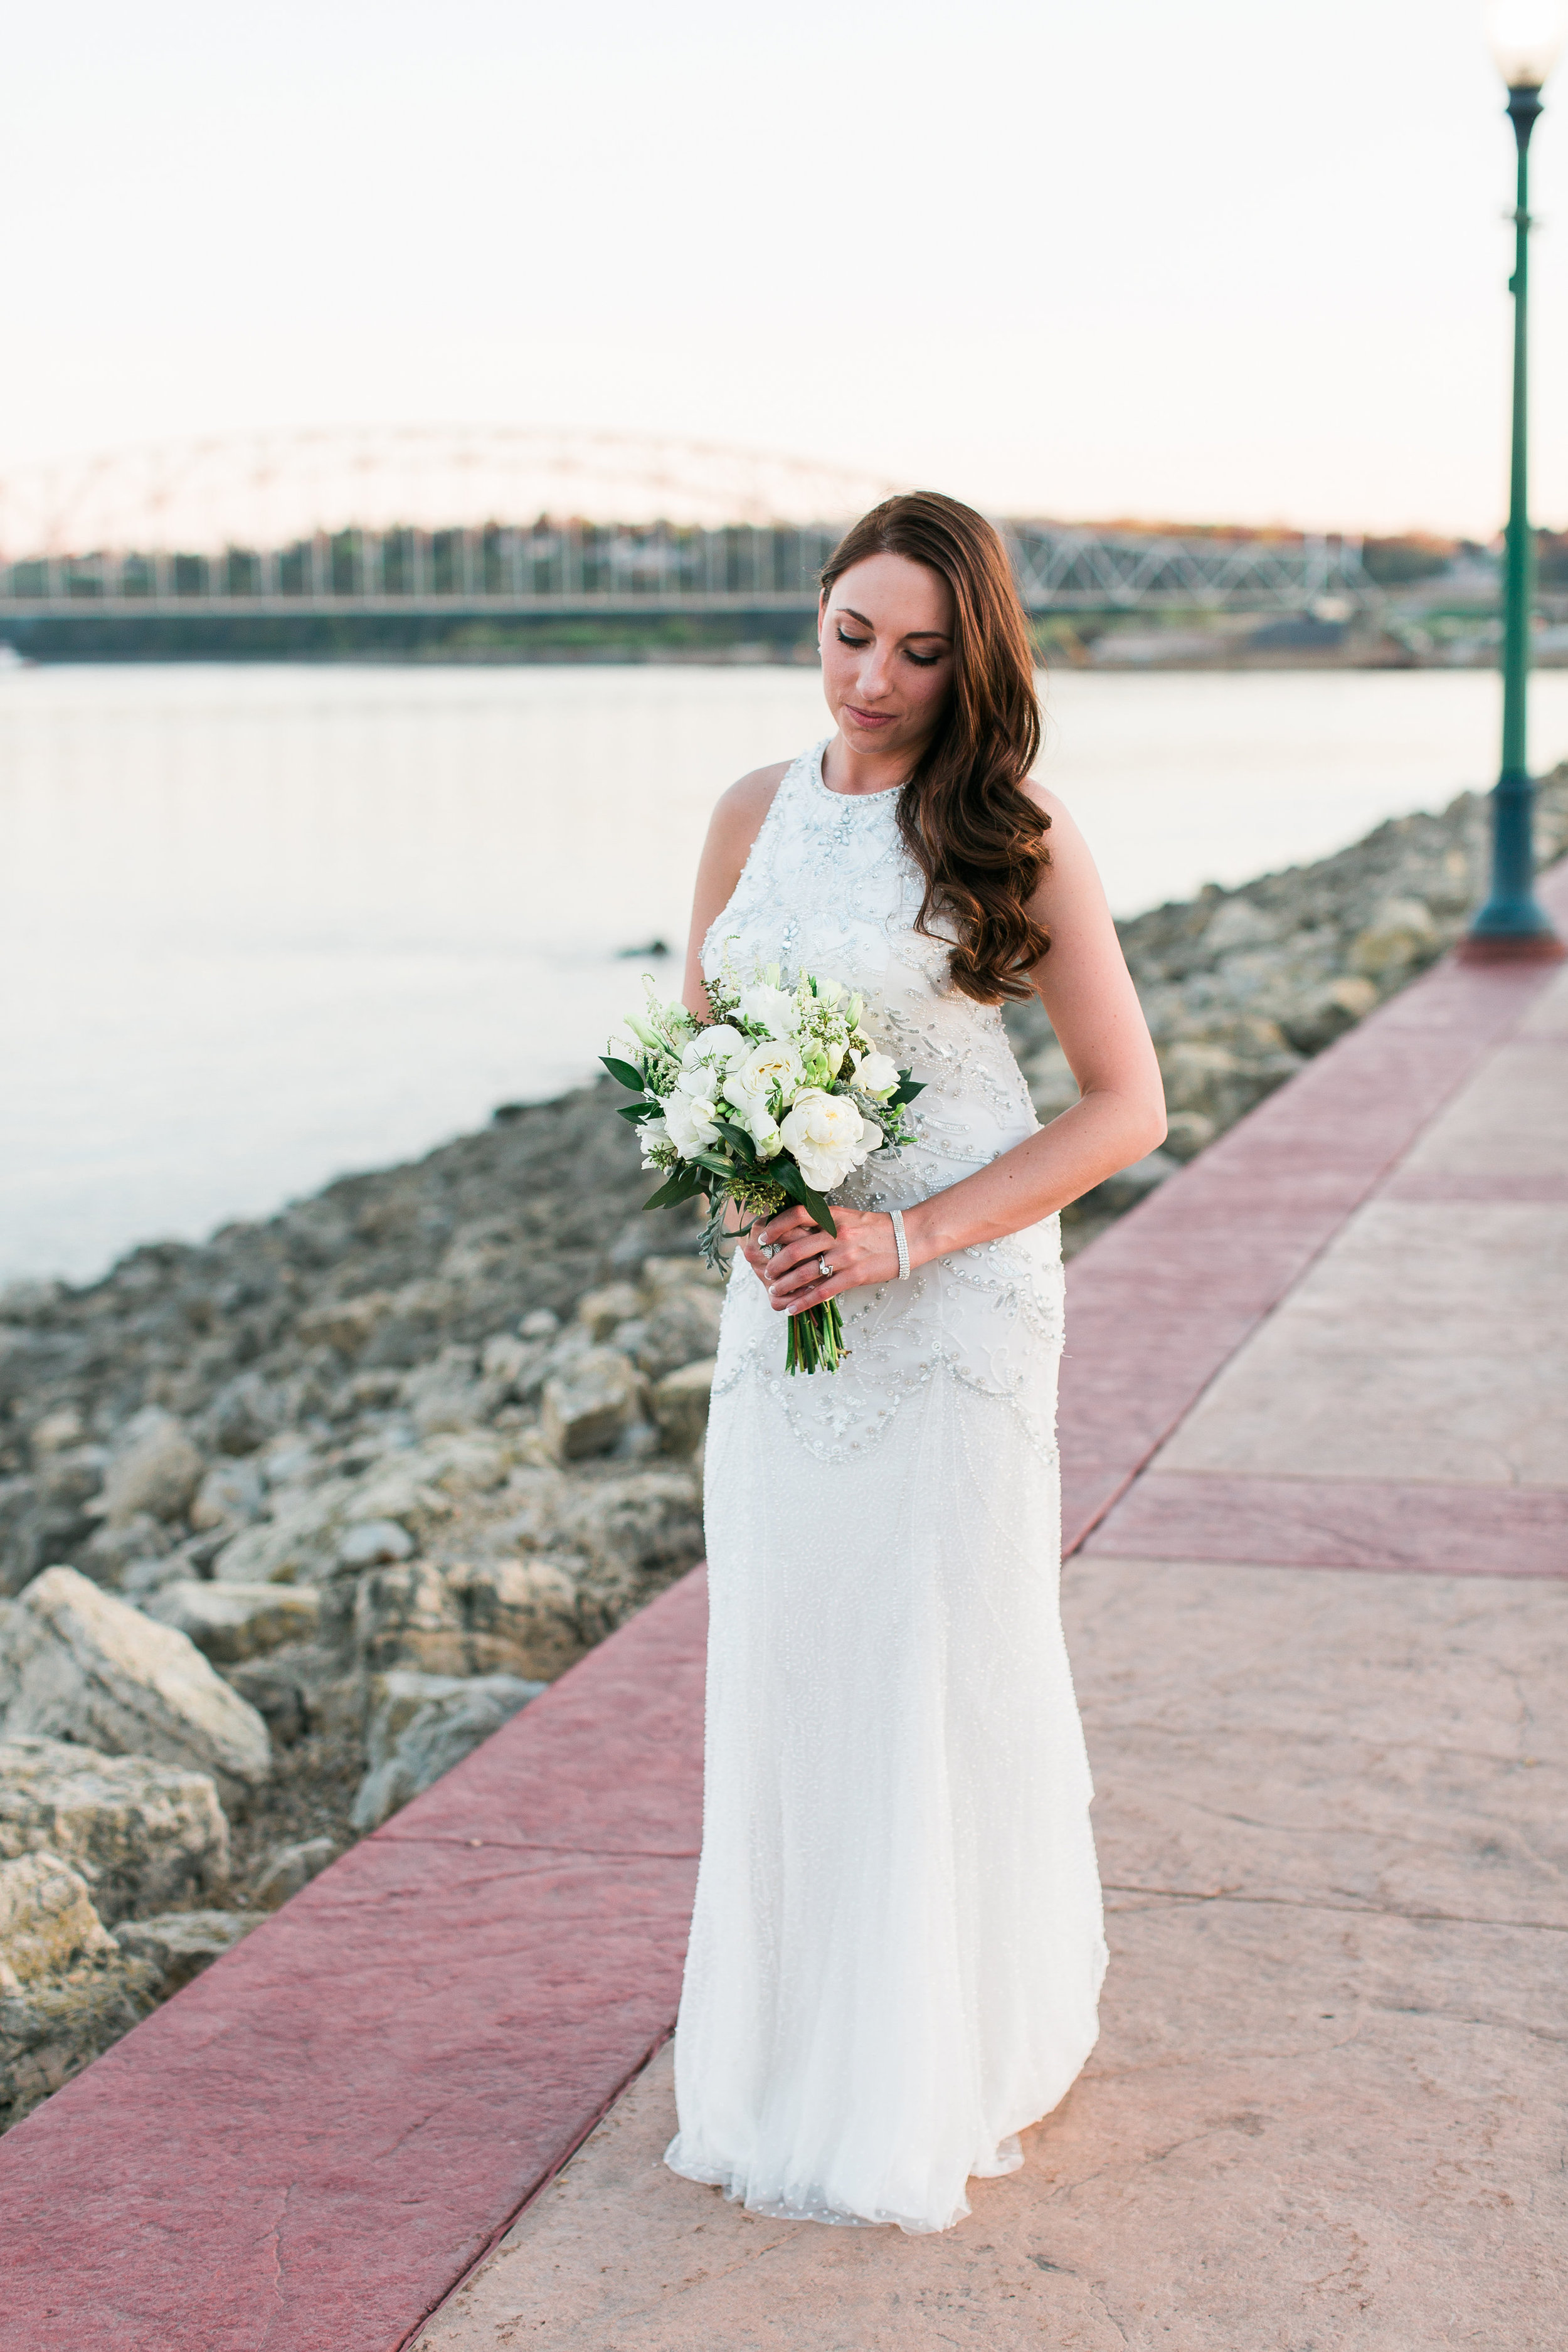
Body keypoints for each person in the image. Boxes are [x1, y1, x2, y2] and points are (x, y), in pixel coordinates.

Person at [662, 491, 1166, 2235]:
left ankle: (940, 2057)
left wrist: (899, 1238)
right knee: (794, 1657)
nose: (870, 677)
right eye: (846, 633)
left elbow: (1126, 1105)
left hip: (946, 1305)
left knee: (929, 1660)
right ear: (813, 619)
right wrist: (745, 1190)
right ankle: (797, 2045)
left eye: (919, 650)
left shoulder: (1011, 833)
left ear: (976, 662)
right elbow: (701, 1043)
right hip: (784, 1296)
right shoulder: (747, 814)